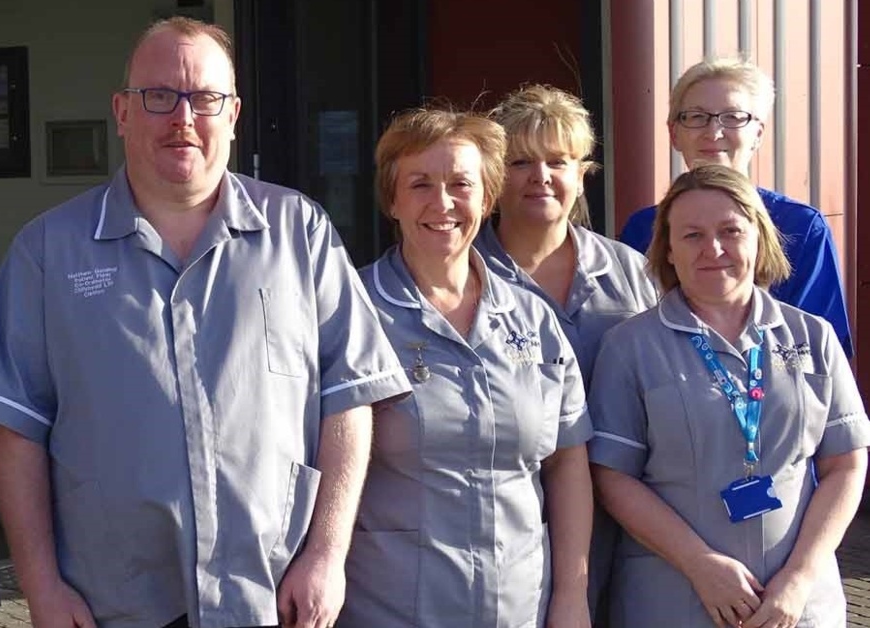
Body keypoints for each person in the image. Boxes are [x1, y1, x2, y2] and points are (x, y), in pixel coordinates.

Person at [0, 16, 410, 628]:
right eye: (158, 97)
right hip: (113, 604)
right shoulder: (48, 252)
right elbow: (17, 431)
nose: (182, 117)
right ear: (122, 113)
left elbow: (349, 400)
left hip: (273, 595)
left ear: (232, 114)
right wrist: (40, 586)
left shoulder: (299, 233)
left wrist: (328, 556)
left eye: (205, 98)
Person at [343, 107, 593, 628]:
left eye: (461, 183)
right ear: (392, 199)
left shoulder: (532, 318)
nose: (443, 203)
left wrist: (572, 597)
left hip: (519, 609)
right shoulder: (351, 313)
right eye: (419, 185)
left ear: (487, 195)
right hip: (389, 609)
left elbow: (567, 462)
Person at [590, 164, 868, 627]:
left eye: (730, 231)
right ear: (669, 250)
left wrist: (798, 579)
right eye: (692, 235)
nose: (713, 249)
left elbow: (846, 464)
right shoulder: (630, 347)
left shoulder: (813, 337)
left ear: (759, 238)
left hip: (797, 607)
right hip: (674, 600)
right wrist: (700, 564)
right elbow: (613, 477)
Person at [475, 84, 659, 622]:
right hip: (512, 518)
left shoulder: (632, 273)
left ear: (584, 171)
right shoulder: (464, 273)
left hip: (624, 517)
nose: (541, 177)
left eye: (558, 160)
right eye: (520, 161)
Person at [616, 58, 851, 357]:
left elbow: (823, 354)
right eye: (696, 117)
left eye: (733, 117)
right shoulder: (642, 229)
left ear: (758, 134)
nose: (713, 132)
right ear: (674, 133)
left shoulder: (801, 227)